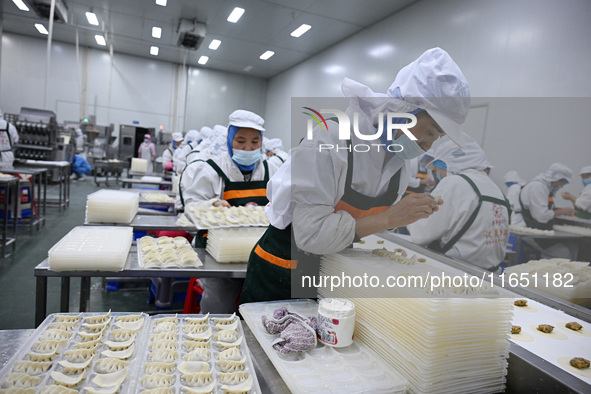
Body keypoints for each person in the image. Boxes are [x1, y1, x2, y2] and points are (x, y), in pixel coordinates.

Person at [239, 47, 471, 304]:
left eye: (436, 138)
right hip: (281, 272)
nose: (428, 146)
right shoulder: (329, 142)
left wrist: (408, 213)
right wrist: (391, 217)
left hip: (332, 273)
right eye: (429, 132)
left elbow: (370, 220)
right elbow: (310, 236)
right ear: (404, 110)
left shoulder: (400, 161)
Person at [179, 110, 281, 313]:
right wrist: (211, 205)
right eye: (240, 140)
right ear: (228, 140)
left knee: (263, 304)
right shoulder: (210, 170)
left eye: (254, 142)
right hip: (218, 252)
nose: (248, 147)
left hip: (259, 250)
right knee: (219, 303)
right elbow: (191, 206)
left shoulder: (272, 171)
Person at [407, 135, 511, 272]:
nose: (437, 173)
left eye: (438, 168)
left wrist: (408, 216)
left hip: (454, 271)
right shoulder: (496, 189)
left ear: (449, 164)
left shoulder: (454, 183)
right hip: (490, 275)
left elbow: (421, 235)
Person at [513, 163, 577, 259]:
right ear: (557, 179)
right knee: (562, 253)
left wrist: (560, 210)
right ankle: (548, 273)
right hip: (526, 229)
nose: (562, 186)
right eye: (562, 183)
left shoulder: (546, 188)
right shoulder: (538, 187)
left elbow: (544, 209)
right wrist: (562, 211)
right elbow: (541, 216)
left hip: (537, 228)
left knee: (572, 246)